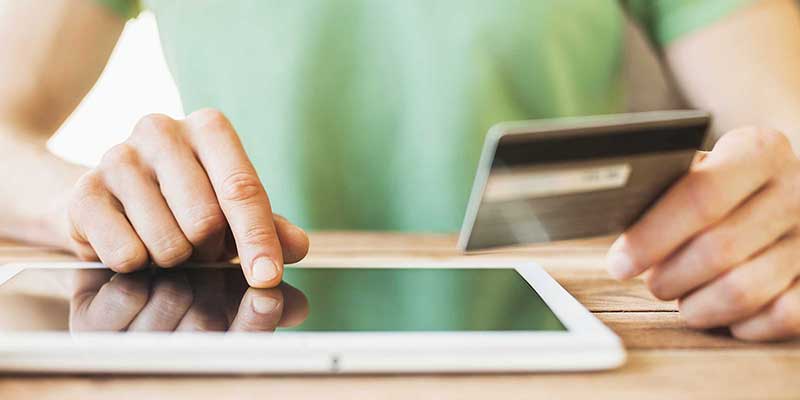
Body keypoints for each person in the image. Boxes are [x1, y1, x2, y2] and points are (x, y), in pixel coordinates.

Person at [1, 0, 799, 341]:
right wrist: (77, 202)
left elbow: (784, 131)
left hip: (575, 350)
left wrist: (777, 203)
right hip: (243, 358)